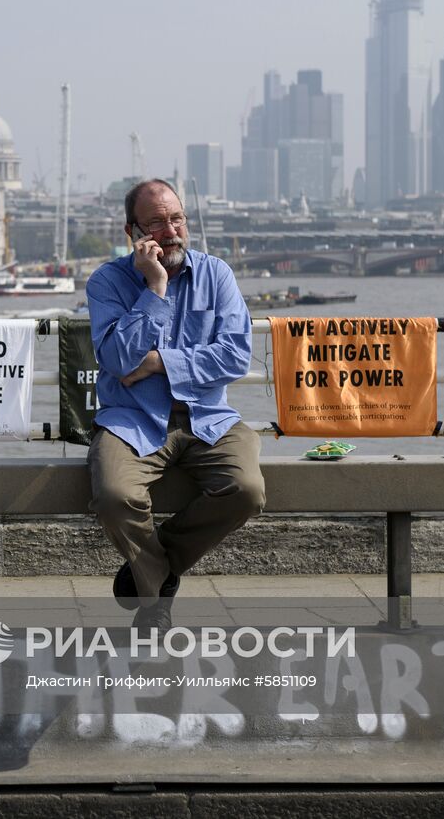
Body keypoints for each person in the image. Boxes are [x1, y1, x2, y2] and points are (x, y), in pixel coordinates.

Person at [85, 179, 265, 626]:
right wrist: (155, 288)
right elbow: (115, 358)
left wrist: (157, 362)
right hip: (133, 418)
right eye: (157, 223)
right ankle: (156, 595)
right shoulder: (107, 281)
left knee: (246, 491)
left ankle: (151, 570)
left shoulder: (216, 274)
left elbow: (235, 356)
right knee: (113, 495)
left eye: (177, 219)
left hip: (208, 418)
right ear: (133, 231)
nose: (171, 232)